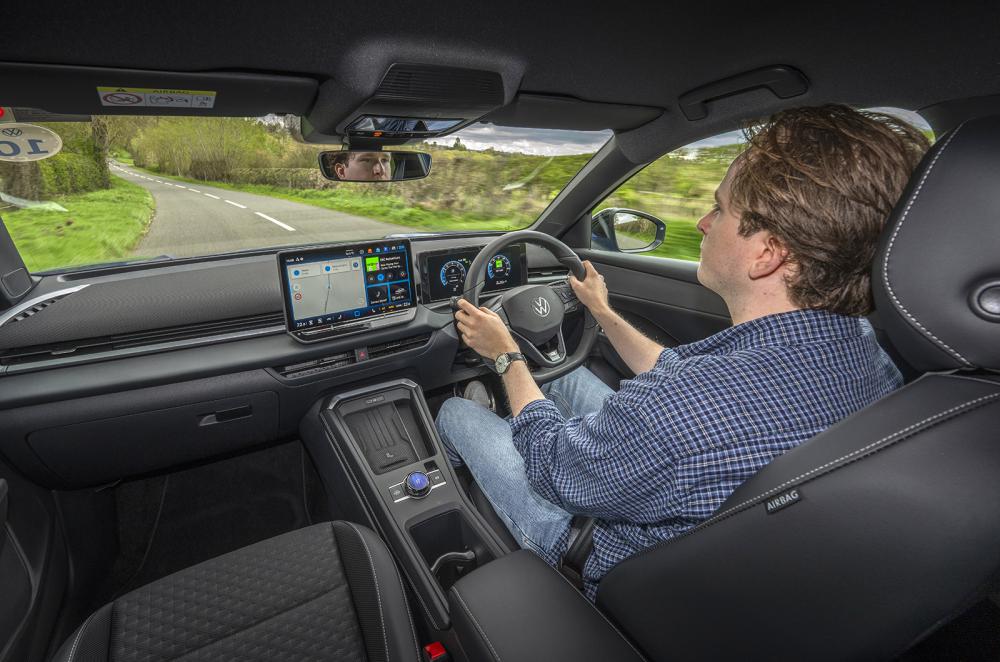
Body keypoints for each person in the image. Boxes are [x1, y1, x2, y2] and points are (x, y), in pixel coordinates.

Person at [435, 105, 930, 600]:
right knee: (559, 375)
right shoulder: (863, 350)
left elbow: (553, 466)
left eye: (720, 209)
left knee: (456, 413)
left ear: (767, 253)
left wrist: (506, 355)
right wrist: (602, 312)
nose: (701, 222)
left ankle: (462, 504)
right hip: (702, 525)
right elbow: (677, 375)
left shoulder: (685, 413)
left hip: (589, 545)